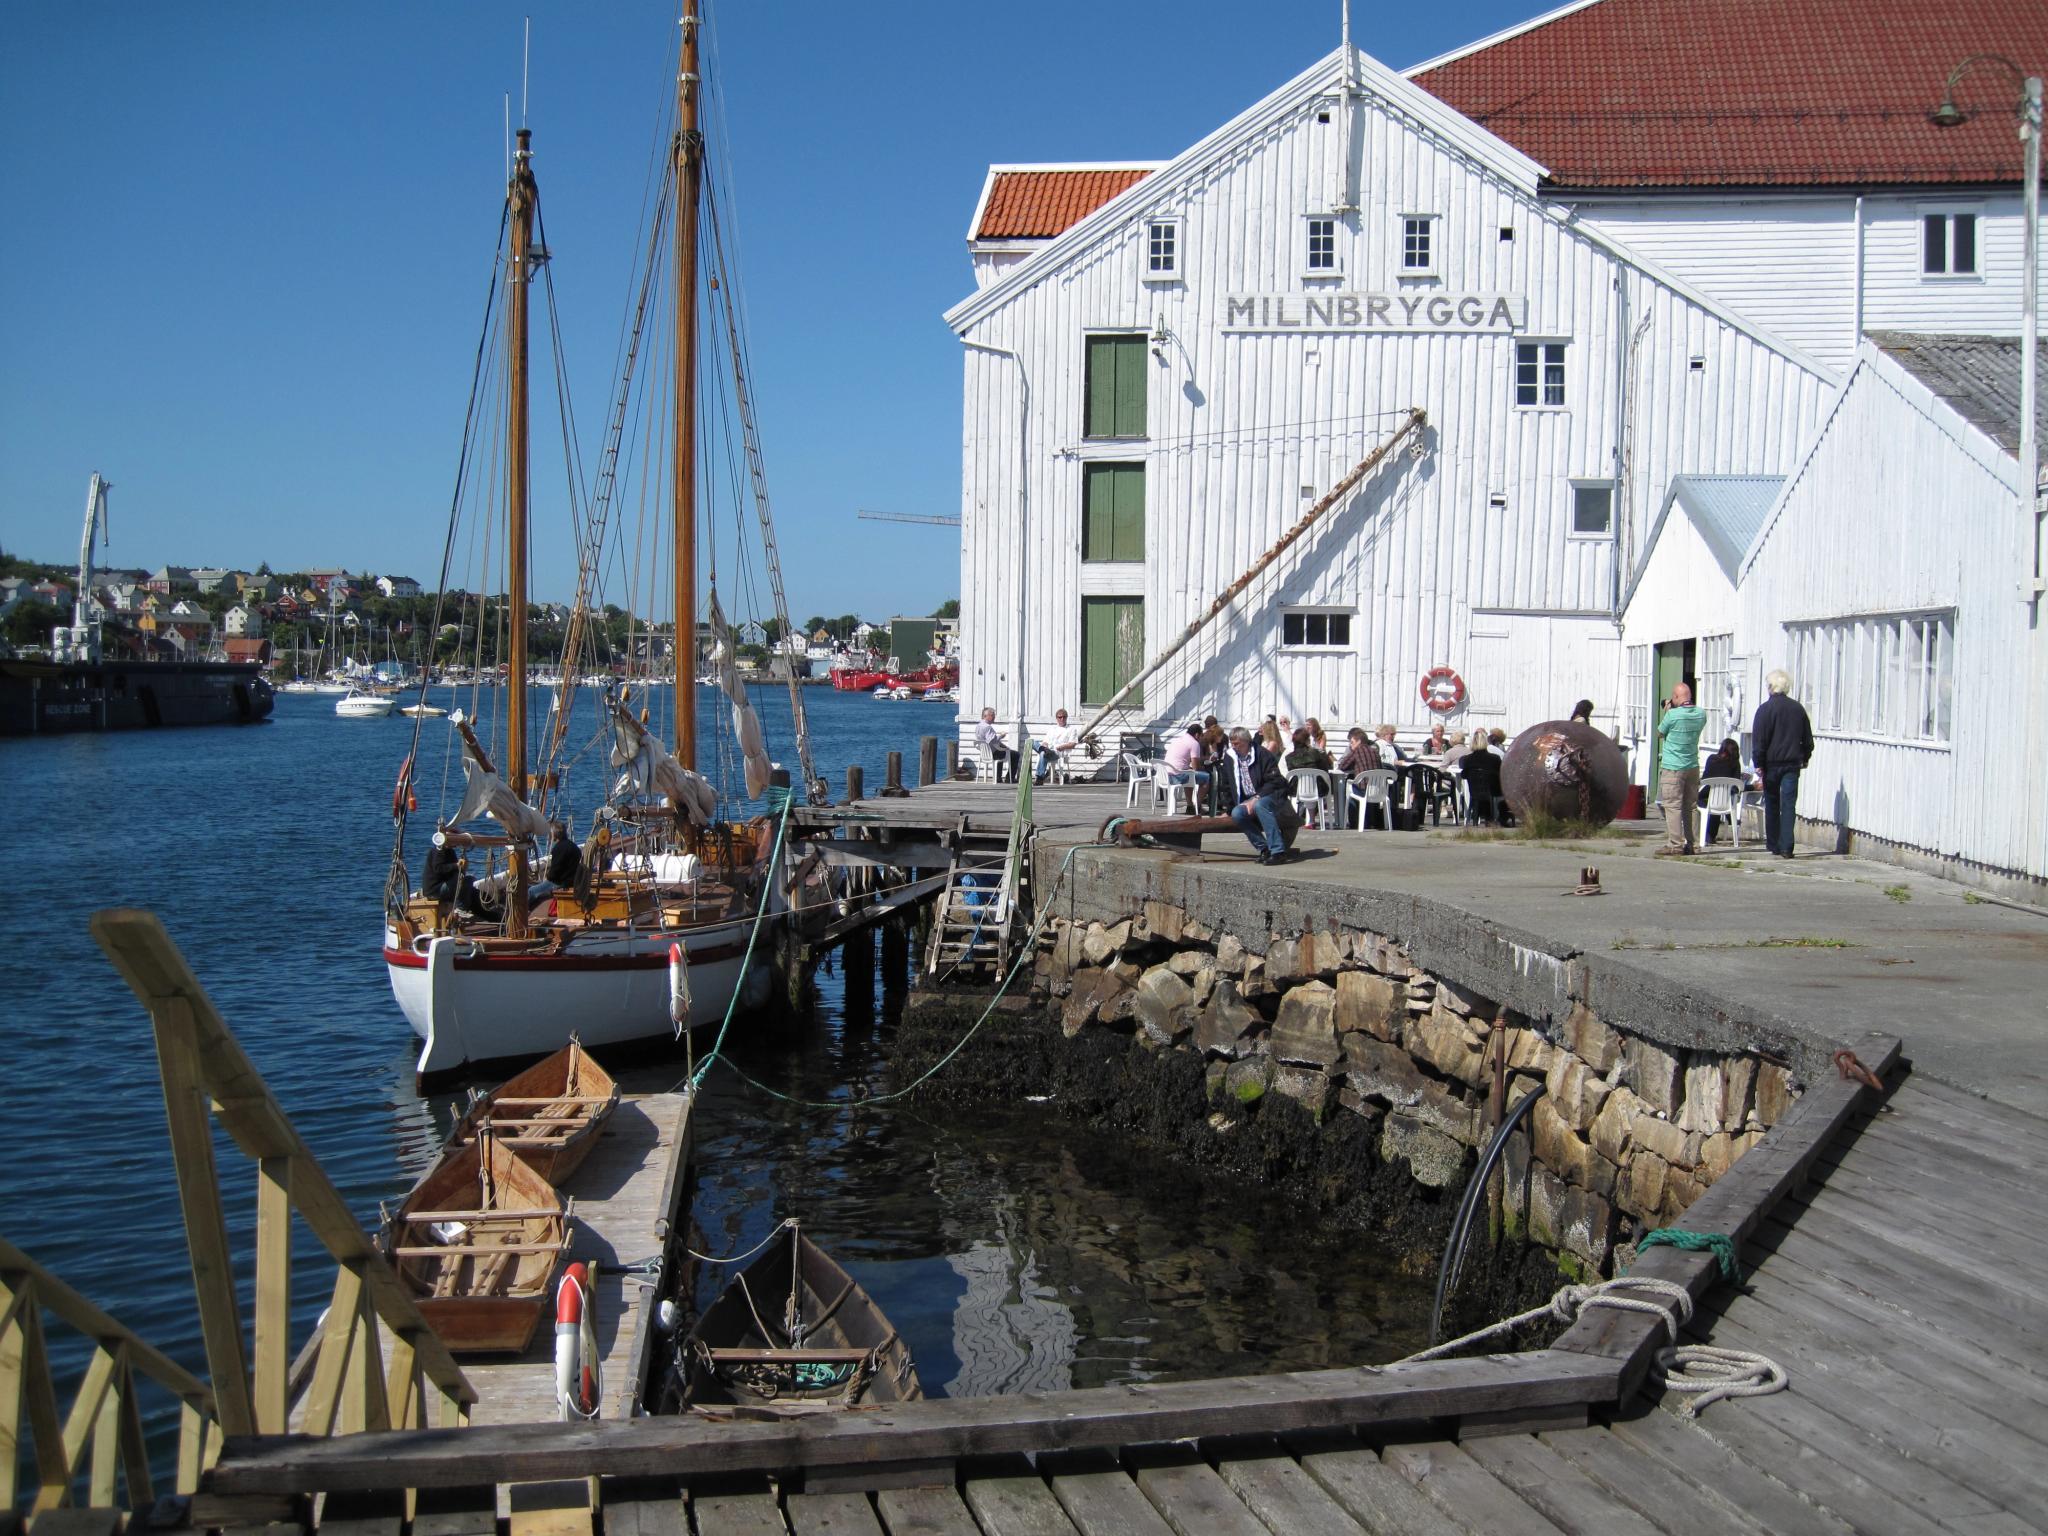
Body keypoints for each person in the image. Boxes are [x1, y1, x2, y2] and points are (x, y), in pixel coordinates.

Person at [1752, 669, 1815, 859]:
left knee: (1772, 802)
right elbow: (1808, 739)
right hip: (1792, 764)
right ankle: (1787, 847)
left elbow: (1759, 740)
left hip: (1771, 764)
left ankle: (1774, 843)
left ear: (1771, 687)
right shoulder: (1798, 709)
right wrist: (1805, 757)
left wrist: (1758, 762)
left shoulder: (1764, 710)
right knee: (1788, 805)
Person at [1653, 682, 1709, 857]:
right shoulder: (1701, 714)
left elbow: (1660, 733)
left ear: (1676, 697)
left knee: (1673, 806)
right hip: (1692, 764)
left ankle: (1675, 844)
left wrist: (1668, 712)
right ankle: (1694, 844)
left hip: (1673, 766)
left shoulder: (1672, 715)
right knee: (1691, 806)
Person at [1223, 726, 1292, 863]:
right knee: (1237, 813)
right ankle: (1264, 848)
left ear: (1246, 741)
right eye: (1232, 744)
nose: (1234, 747)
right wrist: (1229, 808)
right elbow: (1226, 784)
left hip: (1269, 794)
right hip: (1247, 799)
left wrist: (1256, 798)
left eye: (1237, 744)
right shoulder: (1230, 757)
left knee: (1260, 805)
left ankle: (1278, 851)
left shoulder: (1262, 754)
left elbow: (1274, 781)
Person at [1697, 737, 1747, 846]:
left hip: (1705, 795)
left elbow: (1705, 778)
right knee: (1719, 799)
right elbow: (1736, 786)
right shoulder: (1735, 764)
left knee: (1712, 799)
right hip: (1724, 801)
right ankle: (1727, 822)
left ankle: (1708, 835)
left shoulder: (1711, 759)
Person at [1162, 722, 1210, 812]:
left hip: (1166, 774)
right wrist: (1203, 768)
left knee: (1190, 774)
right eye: (1201, 735)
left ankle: (1190, 806)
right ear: (1197, 735)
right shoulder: (1194, 743)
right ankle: (1197, 806)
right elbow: (1195, 767)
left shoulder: (1177, 740)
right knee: (1207, 778)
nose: (1201, 738)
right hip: (1177, 776)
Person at [1460, 732, 1505, 823]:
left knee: (1477, 795)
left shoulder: (1466, 759)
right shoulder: (1495, 758)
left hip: (1474, 790)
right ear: (1486, 742)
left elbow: (1463, 775)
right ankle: (1498, 817)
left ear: (1472, 743)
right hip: (1492, 791)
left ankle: (1476, 817)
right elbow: (1500, 773)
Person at [1035, 707, 1080, 783]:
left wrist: (1062, 747)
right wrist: (1045, 745)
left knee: (1042, 753)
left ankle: (1039, 778)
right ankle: (1045, 750)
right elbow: (1045, 741)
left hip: (1059, 753)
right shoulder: (1052, 729)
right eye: (1060, 717)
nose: (1062, 719)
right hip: (1049, 750)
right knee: (1033, 742)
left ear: (1066, 717)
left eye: (1064, 717)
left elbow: (1073, 744)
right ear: (1056, 718)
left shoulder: (1071, 729)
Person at [975, 706, 1018, 783]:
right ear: (986, 716)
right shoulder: (988, 727)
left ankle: (998, 777)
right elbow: (992, 741)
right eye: (992, 715)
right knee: (1016, 754)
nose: (994, 717)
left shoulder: (978, 726)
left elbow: (989, 741)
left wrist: (1003, 746)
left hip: (985, 754)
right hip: (992, 753)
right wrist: (1001, 735)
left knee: (1001, 751)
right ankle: (1009, 778)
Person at [545, 820, 581, 887]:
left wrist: (548, 876)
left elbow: (554, 873)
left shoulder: (558, 848)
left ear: (554, 834)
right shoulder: (573, 845)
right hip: (572, 881)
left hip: (561, 884)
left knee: (530, 891)